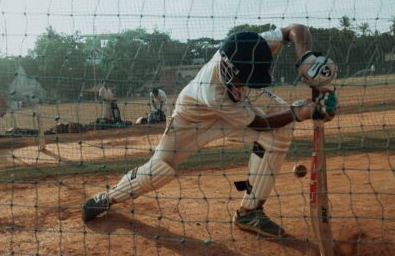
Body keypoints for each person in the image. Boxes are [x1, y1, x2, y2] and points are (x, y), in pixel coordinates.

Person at [82, 25, 338, 238]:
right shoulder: (213, 91)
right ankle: (108, 197)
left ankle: (250, 213)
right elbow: (258, 124)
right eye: (244, 79)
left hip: (239, 106)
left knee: (281, 129)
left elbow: (296, 30)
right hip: (192, 119)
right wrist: (302, 112)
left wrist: (306, 59)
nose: (247, 83)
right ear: (228, 69)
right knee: (159, 170)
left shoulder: (251, 45)